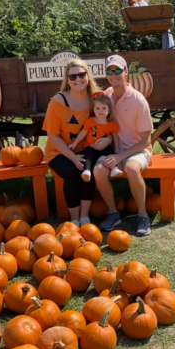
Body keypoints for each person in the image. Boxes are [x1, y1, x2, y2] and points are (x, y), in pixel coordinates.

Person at [43, 59, 113, 226]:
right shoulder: (58, 102)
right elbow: (52, 135)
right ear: (67, 80)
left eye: (81, 74)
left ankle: (84, 216)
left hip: (88, 148)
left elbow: (108, 124)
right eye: (73, 76)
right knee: (73, 171)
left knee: (88, 171)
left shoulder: (96, 100)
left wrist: (108, 139)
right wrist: (72, 157)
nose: (77, 79)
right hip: (59, 152)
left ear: (87, 76)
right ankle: (74, 219)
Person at [94, 55, 155, 236]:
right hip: (115, 150)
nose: (113, 74)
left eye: (118, 70)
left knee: (131, 168)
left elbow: (146, 140)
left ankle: (142, 215)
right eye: (109, 71)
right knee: (98, 170)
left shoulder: (138, 100)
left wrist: (121, 156)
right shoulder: (106, 97)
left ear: (126, 72)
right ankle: (113, 213)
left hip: (138, 150)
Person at [67, 94, 119, 188]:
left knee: (111, 151)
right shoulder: (90, 121)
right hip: (91, 146)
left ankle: (114, 168)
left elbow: (115, 137)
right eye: (97, 108)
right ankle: (87, 171)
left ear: (109, 110)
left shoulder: (112, 124)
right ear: (93, 110)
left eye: (104, 108)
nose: (100, 111)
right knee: (88, 155)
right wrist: (75, 143)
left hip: (104, 147)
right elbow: (83, 133)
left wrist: (117, 148)